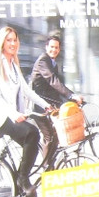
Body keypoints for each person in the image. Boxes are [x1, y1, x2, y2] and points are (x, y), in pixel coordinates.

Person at [0, 26, 52, 197]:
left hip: (11, 115)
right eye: (9, 40)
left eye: (15, 40)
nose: (13, 43)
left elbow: (26, 90)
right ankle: (22, 180)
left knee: (33, 143)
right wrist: (14, 114)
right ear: (2, 42)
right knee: (32, 133)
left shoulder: (13, 64)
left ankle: (18, 188)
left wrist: (46, 105)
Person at [30, 34, 85, 166]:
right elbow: (53, 81)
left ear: (59, 49)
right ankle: (47, 169)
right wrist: (71, 96)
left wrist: (70, 100)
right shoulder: (43, 61)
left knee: (57, 134)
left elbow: (56, 88)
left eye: (56, 48)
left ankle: (51, 162)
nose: (54, 50)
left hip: (47, 104)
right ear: (46, 47)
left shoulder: (52, 63)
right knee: (49, 136)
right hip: (38, 106)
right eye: (51, 47)